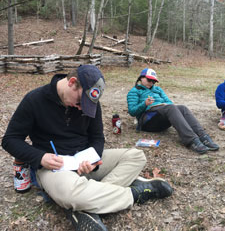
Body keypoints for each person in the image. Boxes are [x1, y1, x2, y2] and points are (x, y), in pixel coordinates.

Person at [2, 65, 173, 230]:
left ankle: (87, 204)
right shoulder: (34, 100)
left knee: (136, 156)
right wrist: (40, 157)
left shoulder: (90, 102)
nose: (82, 107)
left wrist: (93, 159)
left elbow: (97, 138)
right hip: (54, 167)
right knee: (69, 194)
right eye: (80, 101)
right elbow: (10, 140)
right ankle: (135, 193)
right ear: (71, 82)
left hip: (84, 162)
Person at [127, 68, 220, 154]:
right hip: (147, 121)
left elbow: (169, 102)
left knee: (182, 108)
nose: (151, 83)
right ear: (141, 78)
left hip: (161, 116)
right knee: (170, 108)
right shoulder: (135, 91)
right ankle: (192, 141)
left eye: (153, 81)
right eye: (149, 80)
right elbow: (132, 111)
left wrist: (164, 105)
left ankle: (203, 137)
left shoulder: (158, 89)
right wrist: (144, 104)